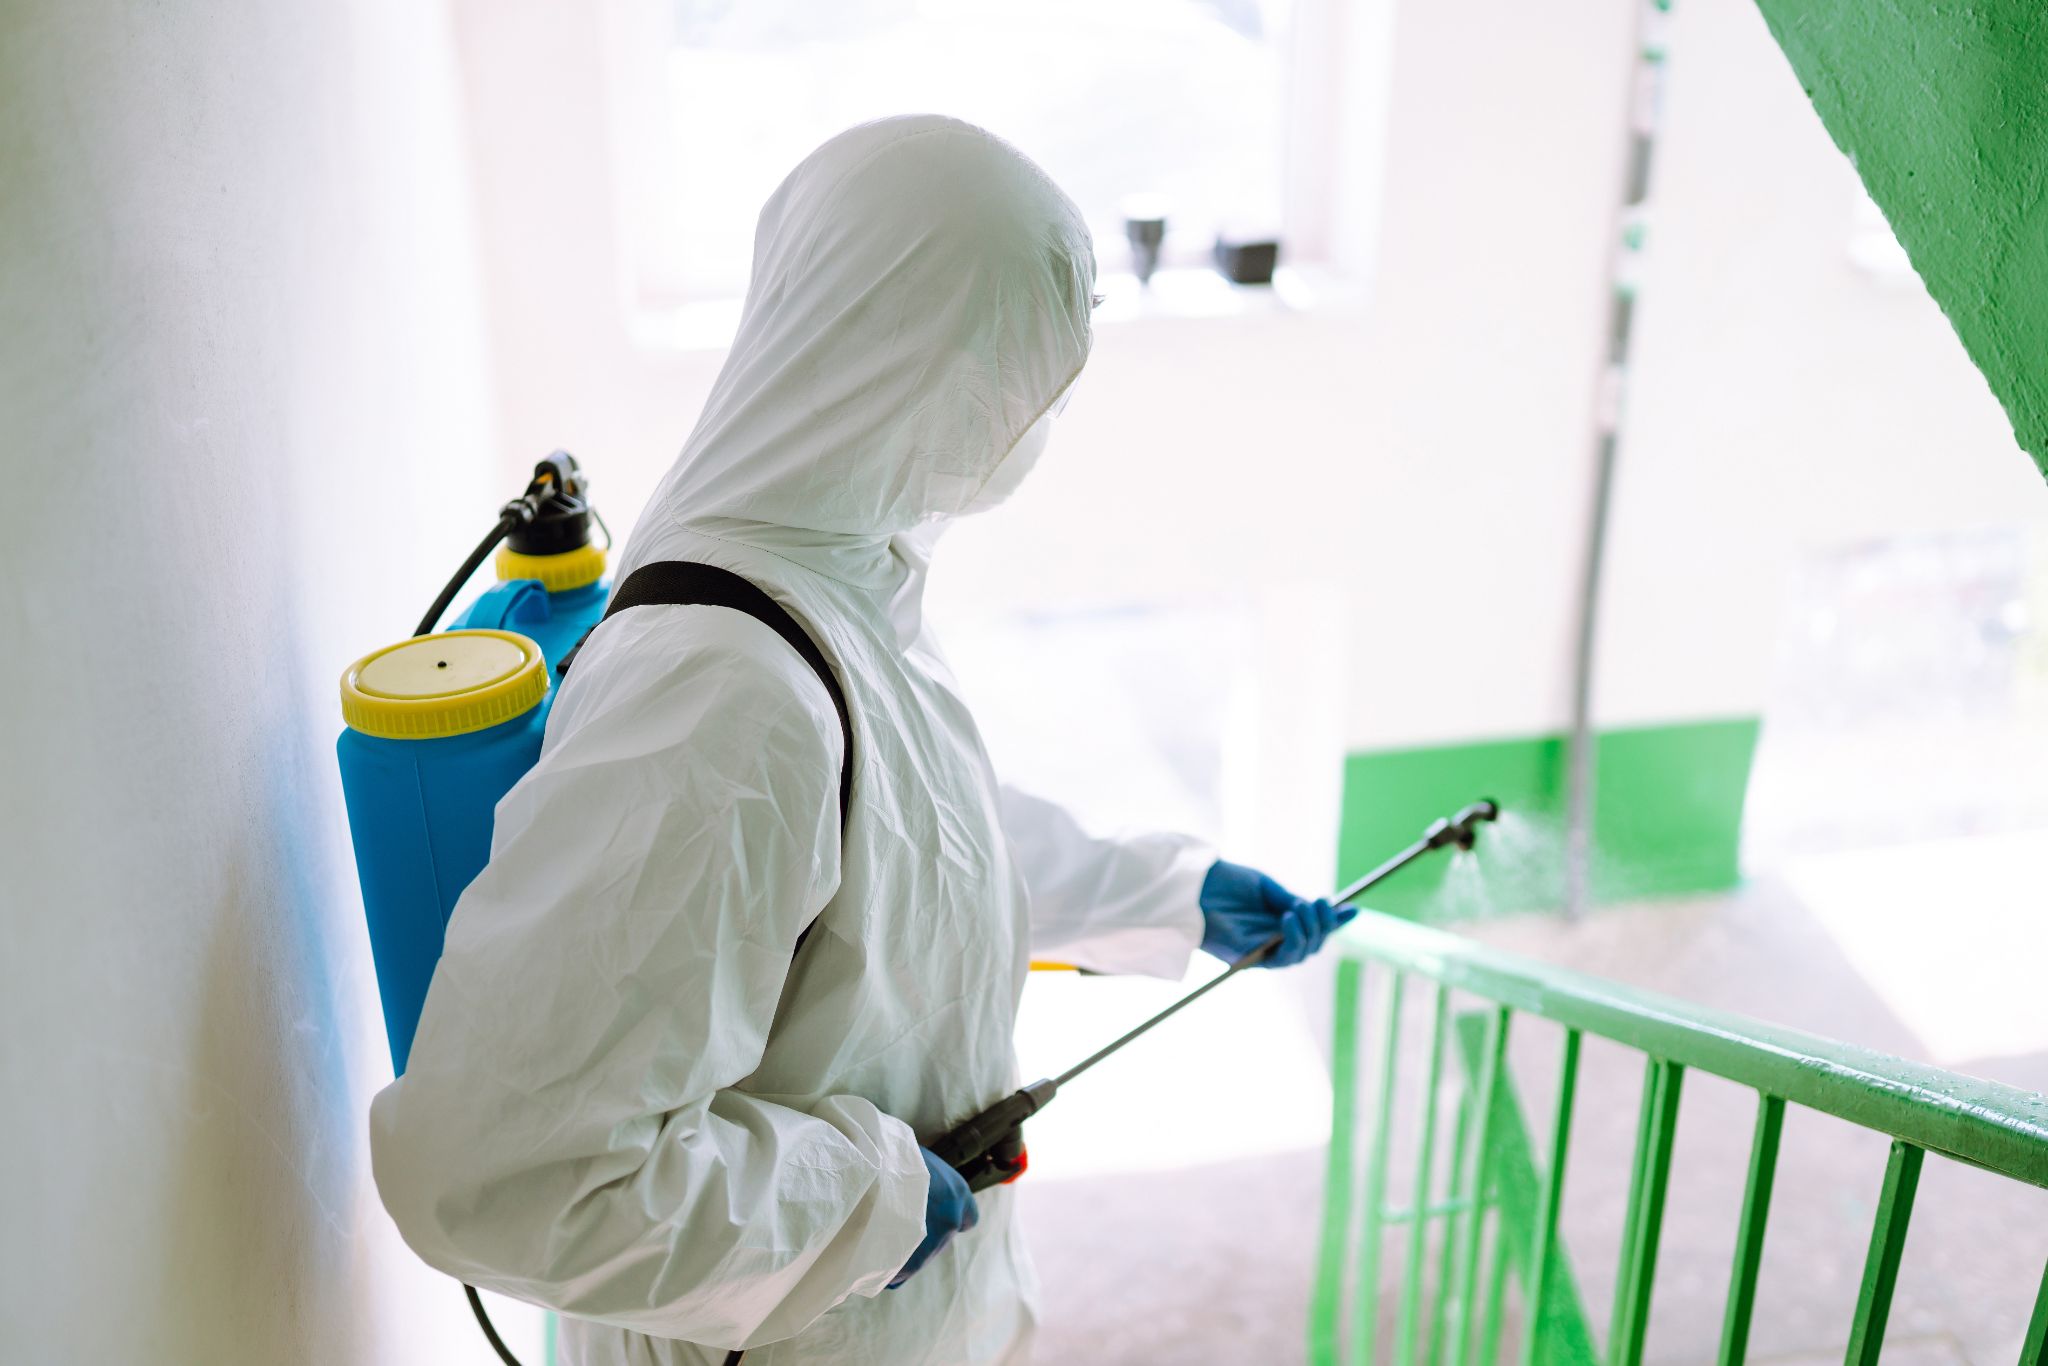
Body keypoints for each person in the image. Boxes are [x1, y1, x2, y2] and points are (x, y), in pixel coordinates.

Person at [370, 114, 1352, 1366]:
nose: (1029, 425)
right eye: (1018, 379)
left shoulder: (832, 579)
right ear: (920, 369)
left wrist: (1166, 892)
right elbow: (506, 1174)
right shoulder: (718, 693)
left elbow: (902, 846)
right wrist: (871, 1203)